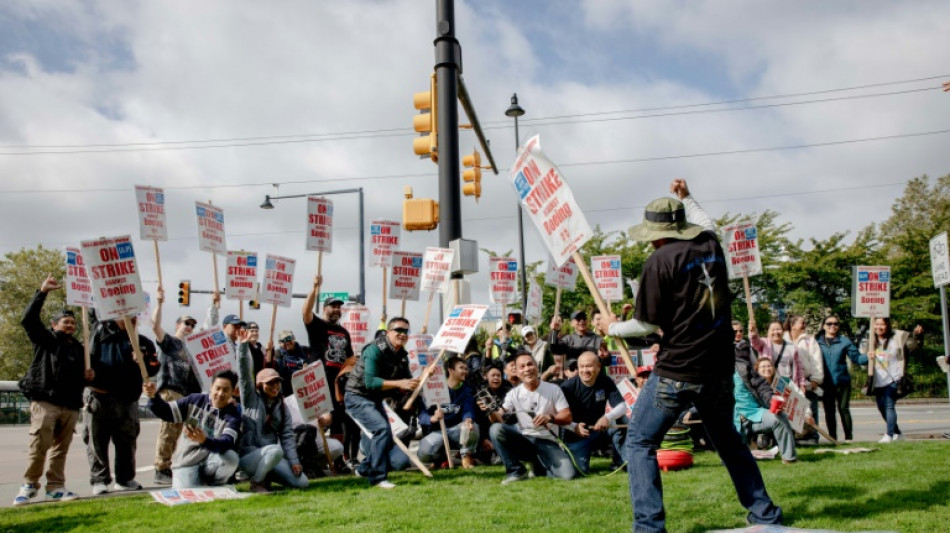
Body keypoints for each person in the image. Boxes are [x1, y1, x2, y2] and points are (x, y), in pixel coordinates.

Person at [607, 179, 783, 530]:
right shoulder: (710, 244)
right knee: (729, 441)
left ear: (656, 234)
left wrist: (612, 327)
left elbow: (645, 324)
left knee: (639, 442)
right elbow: (707, 222)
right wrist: (686, 197)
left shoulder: (658, 261)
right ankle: (764, 513)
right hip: (718, 369)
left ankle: (649, 528)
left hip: (678, 369)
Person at [15, 275, 94, 505]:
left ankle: (56, 487)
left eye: (73, 323)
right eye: (65, 322)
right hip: (46, 402)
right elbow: (28, 320)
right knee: (39, 445)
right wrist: (42, 292)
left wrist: (89, 375)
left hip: (70, 406)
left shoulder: (80, 350)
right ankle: (29, 484)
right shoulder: (47, 341)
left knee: (61, 449)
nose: (70, 325)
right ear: (54, 325)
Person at [85, 314, 159, 495]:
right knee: (97, 440)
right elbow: (94, 313)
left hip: (128, 399)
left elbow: (154, 367)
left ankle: (125, 479)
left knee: (127, 441)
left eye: (134, 316)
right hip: (100, 397)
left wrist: (142, 361)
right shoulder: (101, 334)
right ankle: (100, 480)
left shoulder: (144, 342)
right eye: (125, 315)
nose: (130, 318)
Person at [343, 317, 418, 489]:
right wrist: (400, 383)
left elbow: (407, 381)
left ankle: (363, 469)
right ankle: (377, 478)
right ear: (388, 332)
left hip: (374, 398)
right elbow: (370, 382)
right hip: (357, 396)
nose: (402, 334)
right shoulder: (374, 349)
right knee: (382, 429)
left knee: (387, 438)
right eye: (398, 330)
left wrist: (422, 378)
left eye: (406, 331)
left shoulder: (402, 355)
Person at [236, 332, 311, 492]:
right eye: (269, 383)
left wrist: (294, 462)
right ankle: (257, 482)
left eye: (277, 382)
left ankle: (267, 475)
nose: (274, 386)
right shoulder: (250, 399)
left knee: (302, 483)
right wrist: (242, 347)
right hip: (249, 456)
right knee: (276, 450)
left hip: (272, 456)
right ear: (259, 385)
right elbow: (244, 376)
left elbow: (287, 436)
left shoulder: (282, 407)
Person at [143, 370, 241, 489]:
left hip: (211, 461)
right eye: (218, 388)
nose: (220, 393)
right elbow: (166, 411)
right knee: (185, 494)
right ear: (211, 387)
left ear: (233, 391)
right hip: (187, 462)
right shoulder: (194, 400)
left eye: (225, 390)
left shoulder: (233, 416)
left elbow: (227, 442)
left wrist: (204, 441)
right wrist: (154, 396)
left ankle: (217, 485)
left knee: (231, 458)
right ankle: (195, 482)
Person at [487, 353, 575, 484]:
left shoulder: (553, 389)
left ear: (537, 367)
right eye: (522, 367)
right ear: (517, 372)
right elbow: (498, 419)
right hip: (525, 440)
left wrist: (550, 418)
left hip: (547, 441)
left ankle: (539, 466)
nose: (527, 369)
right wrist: (490, 410)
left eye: (530, 364)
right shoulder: (513, 394)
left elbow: (567, 416)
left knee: (567, 475)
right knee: (495, 429)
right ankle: (516, 471)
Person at [150, 287, 203, 486]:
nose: (189, 327)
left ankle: (168, 466)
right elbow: (155, 326)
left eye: (192, 325)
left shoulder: (188, 350)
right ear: (177, 325)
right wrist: (159, 303)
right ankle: (160, 467)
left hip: (183, 394)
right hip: (169, 390)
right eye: (186, 323)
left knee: (177, 432)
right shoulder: (169, 342)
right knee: (168, 430)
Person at [559, 352, 627, 475]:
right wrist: (574, 427)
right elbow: (558, 417)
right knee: (579, 471)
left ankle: (620, 462)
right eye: (582, 366)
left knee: (622, 420)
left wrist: (607, 417)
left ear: (598, 367)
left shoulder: (605, 381)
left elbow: (622, 407)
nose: (585, 370)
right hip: (575, 435)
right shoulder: (567, 387)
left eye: (589, 366)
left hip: (598, 431)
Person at [302, 280, 354, 436]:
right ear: (325, 309)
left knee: (339, 421)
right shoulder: (317, 325)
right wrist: (314, 289)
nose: (337, 309)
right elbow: (306, 311)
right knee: (319, 422)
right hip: (320, 382)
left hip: (338, 384)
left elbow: (350, 358)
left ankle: (338, 452)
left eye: (339, 307)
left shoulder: (344, 332)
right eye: (333, 306)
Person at [865, 318, 922, 443]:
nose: (879, 327)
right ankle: (898, 433)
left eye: (882, 324)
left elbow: (913, 346)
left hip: (894, 379)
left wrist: (917, 335)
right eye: (876, 324)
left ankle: (889, 435)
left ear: (887, 325)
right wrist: (867, 357)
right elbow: (864, 360)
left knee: (889, 406)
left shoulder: (896, 339)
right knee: (881, 408)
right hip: (877, 380)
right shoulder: (871, 341)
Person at [417, 356, 479, 469]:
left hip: (457, 431)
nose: (465, 371)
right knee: (424, 453)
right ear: (450, 370)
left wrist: (468, 419)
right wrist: (432, 418)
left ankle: (466, 456)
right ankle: (440, 458)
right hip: (438, 432)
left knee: (472, 427)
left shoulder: (467, 390)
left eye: (466, 369)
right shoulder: (434, 388)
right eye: (461, 368)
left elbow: (468, 409)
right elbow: (422, 415)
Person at [816, 314, 867, 441]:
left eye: (835, 324)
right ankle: (833, 438)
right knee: (829, 412)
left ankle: (849, 438)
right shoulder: (817, 342)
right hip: (826, 383)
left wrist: (868, 357)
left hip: (842, 382)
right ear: (824, 326)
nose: (832, 326)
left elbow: (856, 358)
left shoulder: (844, 341)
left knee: (844, 409)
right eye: (829, 324)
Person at [733, 369, 798, 464]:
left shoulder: (748, 370)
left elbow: (763, 389)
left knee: (779, 418)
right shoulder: (722, 376)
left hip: (756, 413)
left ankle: (789, 458)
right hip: (736, 420)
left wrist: (771, 402)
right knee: (735, 460)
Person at [783, 315, 823, 439]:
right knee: (792, 412)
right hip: (788, 381)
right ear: (792, 325)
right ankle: (795, 437)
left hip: (807, 382)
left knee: (811, 410)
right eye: (802, 323)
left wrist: (816, 379)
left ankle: (813, 436)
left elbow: (816, 360)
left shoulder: (809, 341)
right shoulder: (783, 339)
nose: (804, 325)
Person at [749, 321, 807, 391]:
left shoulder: (792, 347)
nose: (776, 332)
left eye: (778, 329)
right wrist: (753, 332)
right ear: (768, 332)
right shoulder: (764, 343)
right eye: (773, 330)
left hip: (787, 384)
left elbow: (799, 368)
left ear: (783, 331)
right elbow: (755, 341)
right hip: (769, 384)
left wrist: (802, 384)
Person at [269, 330, 312, 397]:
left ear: (294, 338)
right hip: (290, 393)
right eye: (283, 341)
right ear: (279, 343)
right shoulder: (277, 354)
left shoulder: (305, 350)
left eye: (289, 338)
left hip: (309, 389)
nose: (286, 342)